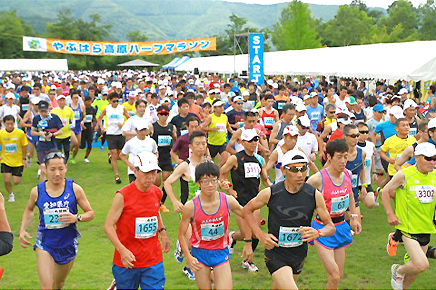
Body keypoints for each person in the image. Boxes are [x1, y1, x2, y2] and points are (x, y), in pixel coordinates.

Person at [242, 149, 335, 290]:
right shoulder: (271, 193)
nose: (300, 174)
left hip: (299, 254)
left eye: (303, 168)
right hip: (276, 253)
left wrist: (318, 233)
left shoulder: (314, 195)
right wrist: (260, 236)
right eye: (294, 169)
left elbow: (330, 227)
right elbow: (247, 210)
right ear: (283, 171)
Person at [19, 150, 95, 289]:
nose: (57, 173)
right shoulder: (37, 191)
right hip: (45, 243)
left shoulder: (74, 189)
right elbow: (29, 209)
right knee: (46, 287)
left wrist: (76, 217)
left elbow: (90, 213)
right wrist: (23, 229)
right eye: (52, 169)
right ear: (45, 169)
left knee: (58, 284)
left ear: (66, 168)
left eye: (61, 168)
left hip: (67, 243)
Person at [178, 161, 253, 290]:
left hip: (220, 252)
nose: (210, 185)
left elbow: (245, 214)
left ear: (218, 181)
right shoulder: (191, 206)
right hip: (200, 254)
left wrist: (248, 242)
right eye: (206, 181)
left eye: (214, 180)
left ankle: (215, 276)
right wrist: (188, 257)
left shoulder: (228, 200)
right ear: (198, 183)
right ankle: (212, 276)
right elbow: (181, 233)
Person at [104, 152, 170, 290]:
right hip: (127, 260)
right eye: (146, 172)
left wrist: (162, 231)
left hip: (152, 258)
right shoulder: (122, 196)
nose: (151, 177)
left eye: (154, 172)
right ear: (135, 171)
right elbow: (108, 226)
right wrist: (122, 250)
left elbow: (155, 212)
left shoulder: (157, 192)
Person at [307, 139, 362, 289]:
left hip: (341, 226)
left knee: (338, 276)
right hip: (323, 229)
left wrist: (354, 217)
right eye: (339, 157)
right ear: (329, 157)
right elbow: (301, 198)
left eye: (345, 156)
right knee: (334, 276)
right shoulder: (317, 179)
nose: (343, 161)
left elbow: (350, 195)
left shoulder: (348, 174)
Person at [381, 142, 436, 290]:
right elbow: (385, 191)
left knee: (415, 271)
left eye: (435, 158)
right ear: (417, 158)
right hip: (407, 228)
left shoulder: (435, 176)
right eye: (428, 158)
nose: (432, 162)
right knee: (422, 264)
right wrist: (390, 214)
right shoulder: (404, 174)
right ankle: (398, 270)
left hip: (426, 227)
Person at [220, 129, 272, 272]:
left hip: (254, 202)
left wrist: (274, 189)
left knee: (255, 233)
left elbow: (265, 179)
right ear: (242, 143)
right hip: (240, 202)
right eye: (250, 141)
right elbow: (222, 173)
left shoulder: (259, 159)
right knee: (246, 233)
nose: (254, 143)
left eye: (256, 140)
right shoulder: (235, 158)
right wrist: (229, 190)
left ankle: (247, 260)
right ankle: (235, 238)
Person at [164, 130, 207, 281]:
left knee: (200, 240)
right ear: (191, 146)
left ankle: (182, 249)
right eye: (198, 144)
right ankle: (189, 267)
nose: (201, 147)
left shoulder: (209, 164)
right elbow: (167, 182)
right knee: (192, 242)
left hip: (205, 209)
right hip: (187, 209)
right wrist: (175, 201)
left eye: (203, 143)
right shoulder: (185, 166)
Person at [97, 92, 131, 184]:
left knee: (120, 155)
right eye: (114, 101)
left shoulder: (122, 108)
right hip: (110, 134)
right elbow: (99, 118)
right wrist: (102, 127)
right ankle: (117, 176)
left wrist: (123, 124)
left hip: (120, 134)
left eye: (117, 101)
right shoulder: (107, 109)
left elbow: (129, 118)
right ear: (109, 101)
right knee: (115, 154)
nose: (116, 103)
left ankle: (111, 157)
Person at [151, 105, 177, 213]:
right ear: (157, 115)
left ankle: (161, 203)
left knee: (167, 181)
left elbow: (175, 140)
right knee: (156, 182)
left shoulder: (172, 127)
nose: (163, 116)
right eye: (161, 114)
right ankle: (152, 201)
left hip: (167, 157)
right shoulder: (152, 126)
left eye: (165, 114)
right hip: (156, 157)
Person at [31, 101, 64, 181]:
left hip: (52, 145)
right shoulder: (36, 118)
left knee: (52, 167)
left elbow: (60, 131)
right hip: (41, 146)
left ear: (48, 109)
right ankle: (43, 186)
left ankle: (52, 182)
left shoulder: (54, 118)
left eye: (45, 111)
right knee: (43, 167)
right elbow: (32, 132)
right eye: (41, 111)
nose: (43, 113)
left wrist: (52, 134)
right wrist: (41, 134)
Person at [0, 115, 28, 202]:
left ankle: (16, 175)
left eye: (11, 124)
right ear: (4, 124)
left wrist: (24, 158)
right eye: (7, 124)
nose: (9, 126)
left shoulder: (20, 133)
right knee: (7, 180)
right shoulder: (1, 133)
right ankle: (10, 195)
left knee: (16, 181)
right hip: (6, 160)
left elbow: (24, 145)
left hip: (18, 161)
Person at [203, 100, 233, 167]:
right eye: (219, 107)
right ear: (215, 108)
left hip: (222, 143)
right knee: (210, 162)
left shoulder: (224, 117)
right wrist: (212, 129)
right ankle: (213, 172)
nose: (222, 108)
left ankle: (218, 169)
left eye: (222, 106)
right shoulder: (211, 117)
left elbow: (227, 126)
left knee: (225, 159)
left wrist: (232, 132)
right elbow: (203, 127)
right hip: (212, 143)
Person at [356, 122, 378, 205]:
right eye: (362, 132)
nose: (365, 134)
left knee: (371, 204)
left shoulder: (370, 145)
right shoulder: (353, 146)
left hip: (366, 180)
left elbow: (371, 159)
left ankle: (356, 199)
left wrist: (374, 172)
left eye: (366, 132)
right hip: (354, 180)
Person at [51, 95, 75, 162]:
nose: (62, 102)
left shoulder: (69, 110)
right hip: (58, 135)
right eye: (60, 100)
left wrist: (73, 124)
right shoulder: (54, 111)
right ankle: (59, 162)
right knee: (58, 151)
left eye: (63, 100)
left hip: (67, 134)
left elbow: (73, 118)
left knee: (67, 150)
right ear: (58, 102)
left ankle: (65, 162)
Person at [68, 91, 85, 164]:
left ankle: (73, 157)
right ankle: (69, 151)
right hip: (71, 127)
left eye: (77, 98)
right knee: (75, 142)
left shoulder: (81, 106)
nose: (76, 99)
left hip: (78, 126)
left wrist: (83, 121)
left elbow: (84, 116)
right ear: (71, 98)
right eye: (74, 98)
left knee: (78, 144)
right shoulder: (68, 107)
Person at [80, 96, 96, 163]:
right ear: (85, 101)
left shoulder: (92, 109)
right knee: (82, 145)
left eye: (90, 101)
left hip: (89, 127)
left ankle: (86, 157)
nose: (89, 103)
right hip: (83, 127)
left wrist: (95, 125)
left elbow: (94, 117)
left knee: (90, 143)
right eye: (88, 101)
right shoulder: (82, 109)